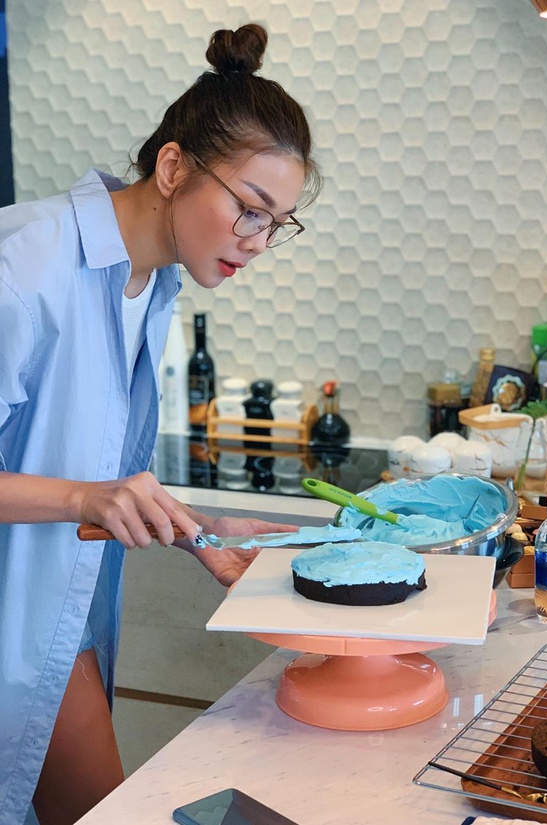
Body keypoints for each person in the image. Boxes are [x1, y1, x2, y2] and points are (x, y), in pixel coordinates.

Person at [0, 23, 321, 825]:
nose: (258, 242)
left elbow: (92, 475)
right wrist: (86, 499)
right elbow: (85, 491)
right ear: (174, 167)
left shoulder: (152, 284)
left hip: (56, 606)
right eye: (249, 209)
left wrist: (200, 528)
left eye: (277, 223)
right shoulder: (26, 263)